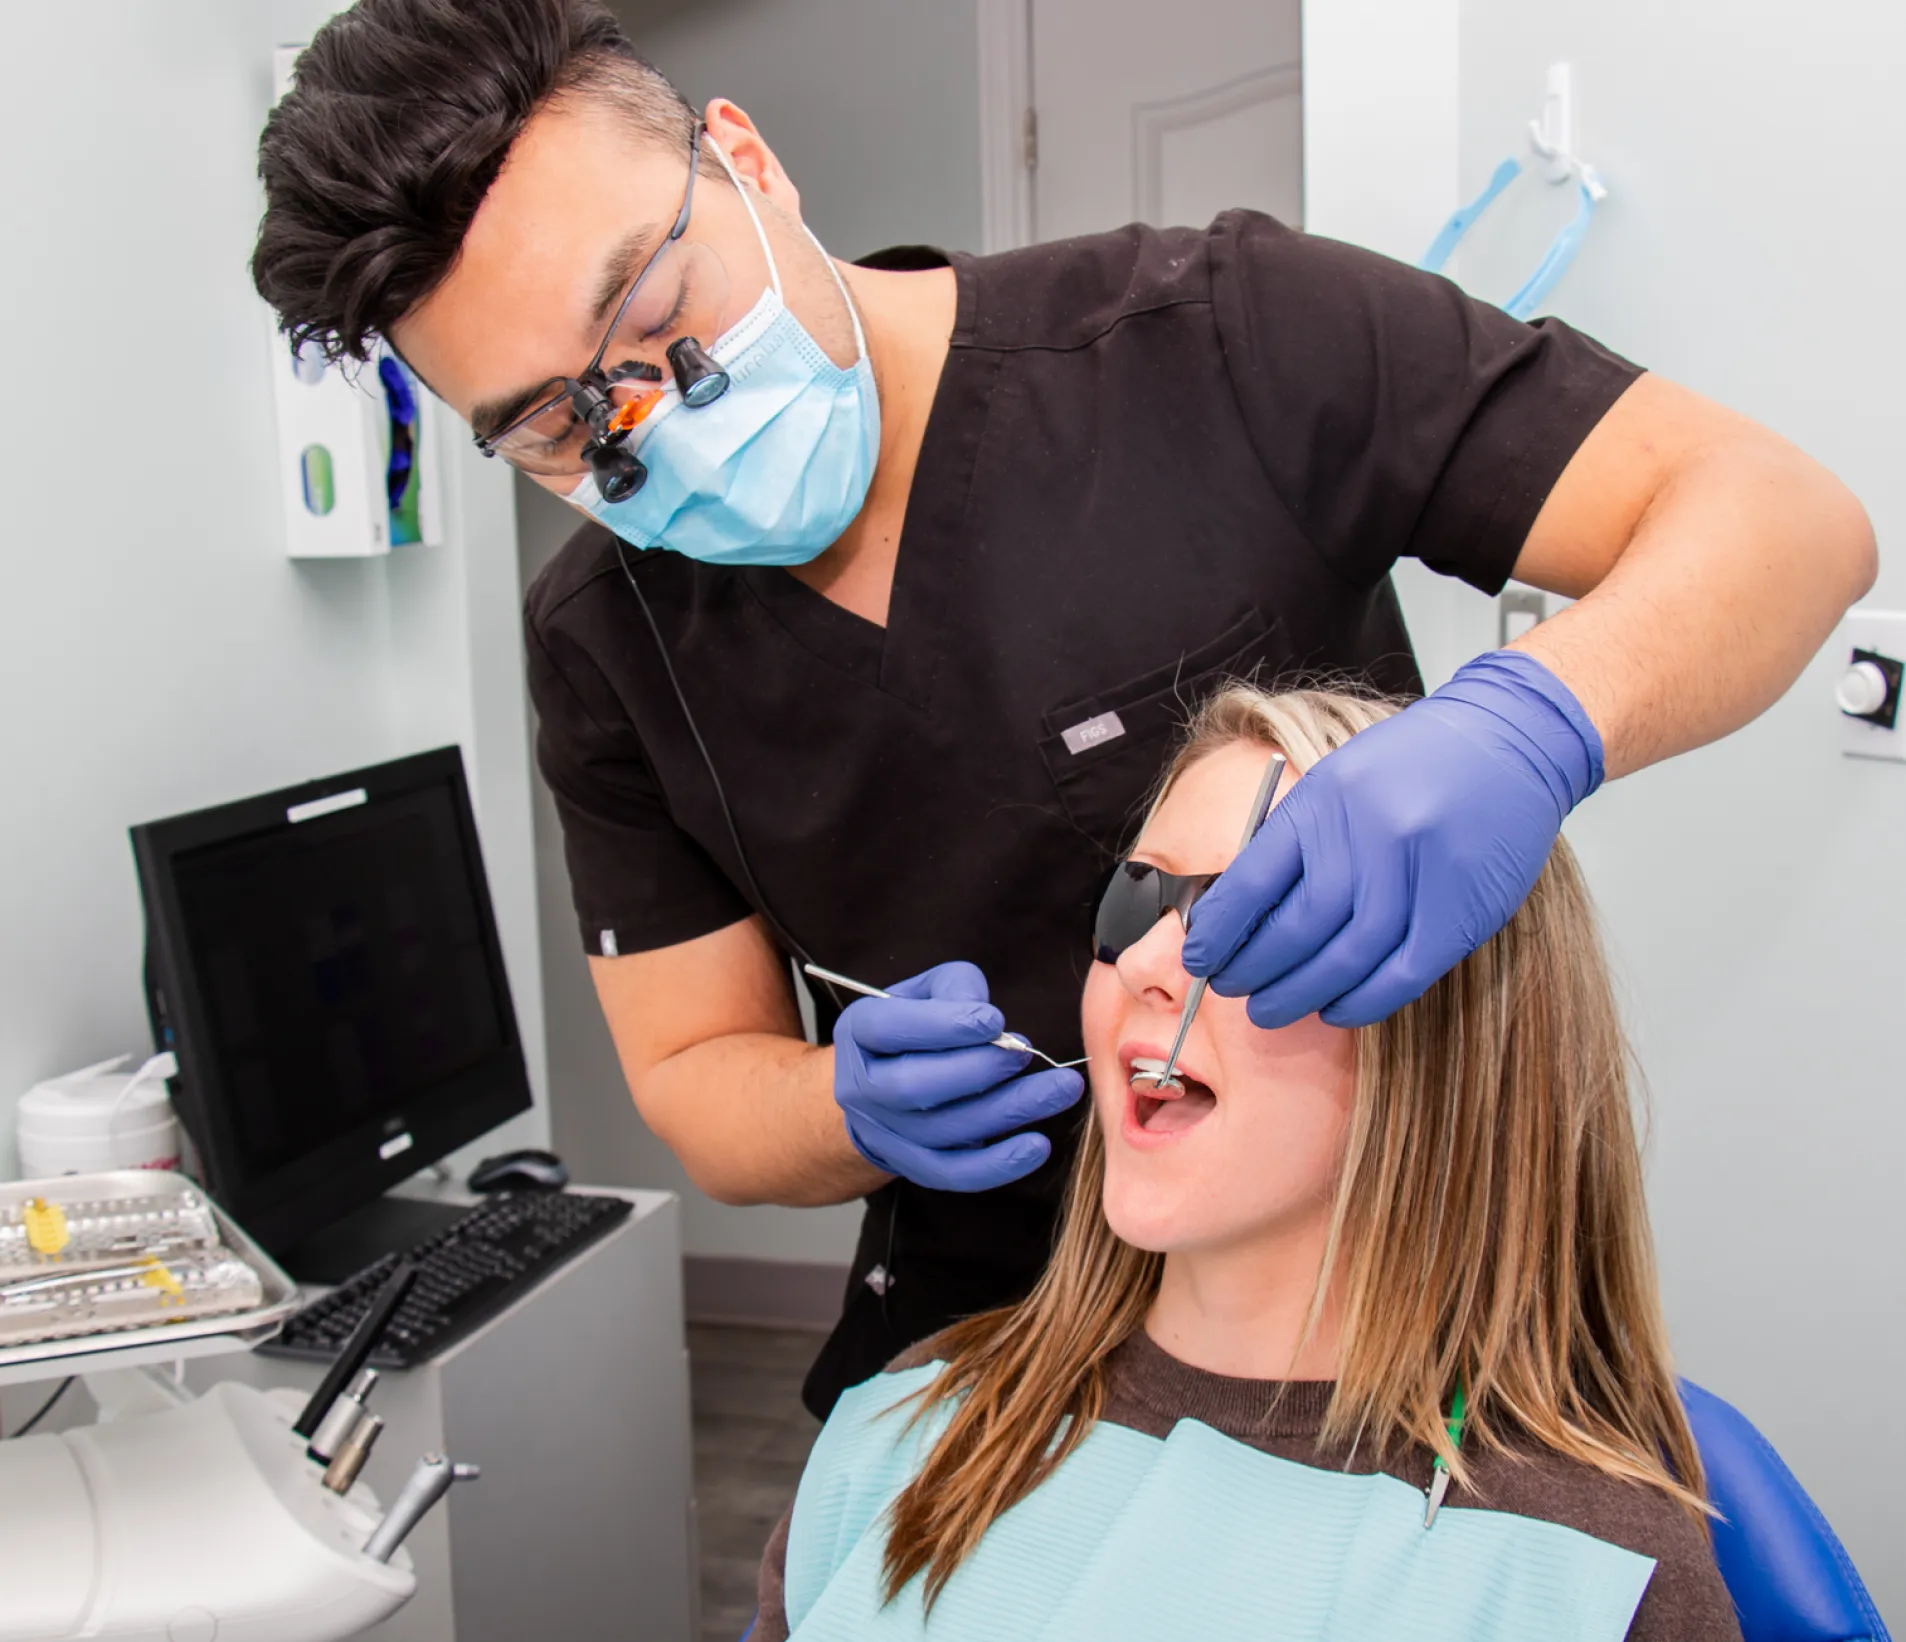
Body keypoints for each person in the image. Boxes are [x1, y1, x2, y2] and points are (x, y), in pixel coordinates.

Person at [248, 0, 1875, 1416]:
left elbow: (1781, 521)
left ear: (746, 159)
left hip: (1383, 1302)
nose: (652, 424)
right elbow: (698, 1082)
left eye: (655, 313)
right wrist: (841, 1103)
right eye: (553, 422)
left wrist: (1533, 726)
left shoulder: (1223, 336)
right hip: (985, 1362)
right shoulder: (607, 641)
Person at [753, 684, 1742, 1641]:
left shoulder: (1585, 1575)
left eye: (1257, 918)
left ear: (1445, 1030)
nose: (1144, 964)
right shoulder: (900, 1436)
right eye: (1135, 899)